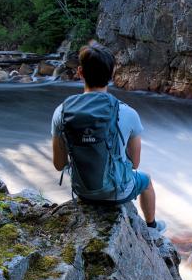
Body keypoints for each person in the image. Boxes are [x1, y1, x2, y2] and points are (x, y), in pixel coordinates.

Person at [51, 40, 166, 236]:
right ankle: (152, 227)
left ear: (80, 72)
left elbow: (59, 165)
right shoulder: (128, 113)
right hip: (116, 192)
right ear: (112, 75)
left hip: (82, 191)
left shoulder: (61, 112)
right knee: (146, 181)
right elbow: (135, 163)